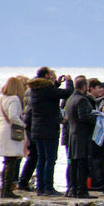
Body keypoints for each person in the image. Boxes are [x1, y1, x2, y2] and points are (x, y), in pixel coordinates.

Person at [24, 68, 74, 196]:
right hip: (49, 129)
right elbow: (68, 93)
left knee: (42, 158)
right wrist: (69, 81)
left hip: (37, 129)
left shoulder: (36, 89)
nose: (52, 77)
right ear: (46, 76)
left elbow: (52, 93)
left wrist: (57, 83)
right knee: (50, 158)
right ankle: (48, 187)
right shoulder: (47, 90)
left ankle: (40, 187)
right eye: (51, 75)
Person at [0, 76, 29, 199]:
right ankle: (7, 189)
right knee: (11, 161)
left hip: (2, 130)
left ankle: (5, 188)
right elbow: (13, 116)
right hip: (10, 132)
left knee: (7, 161)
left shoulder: (1, 99)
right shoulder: (14, 99)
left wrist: (3, 124)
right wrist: (22, 124)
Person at [64, 77, 96, 198]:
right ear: (84, 87)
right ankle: (81, 190)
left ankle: (73, 188)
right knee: (82, 163)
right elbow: (83, 117)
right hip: (81, 135)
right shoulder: (82, 100)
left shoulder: (70, 99)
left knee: (74, 164)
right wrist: (96, 118)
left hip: (72, 134)